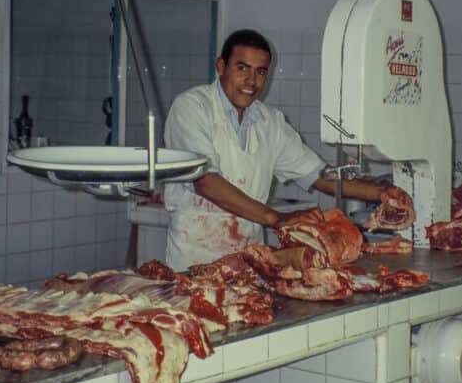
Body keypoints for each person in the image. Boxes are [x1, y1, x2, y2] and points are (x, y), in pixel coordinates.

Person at [162, 29, 391, 271]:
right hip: (195, 260)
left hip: (250, 260)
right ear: (221, 66)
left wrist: (383, 194)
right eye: (242, 68)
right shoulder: (191, 107)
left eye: (260, 72)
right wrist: (276, 218)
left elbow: (319, 177)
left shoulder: (270, 121)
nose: (252, 81)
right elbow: (206, 182)